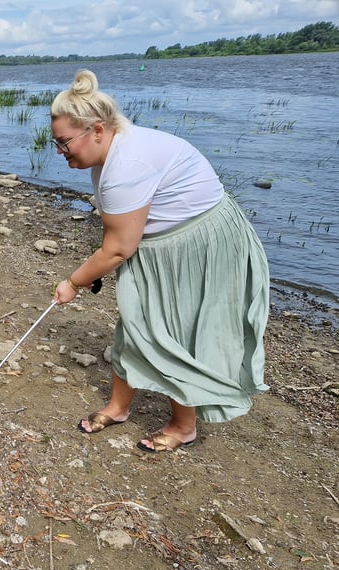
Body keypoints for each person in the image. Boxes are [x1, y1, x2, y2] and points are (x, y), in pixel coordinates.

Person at [49, 69, 270, 453]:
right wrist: (98, 269)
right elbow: (120, 238)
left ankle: (184, 426)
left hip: (197, 245)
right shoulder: (108, 152)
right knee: (135, 320)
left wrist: (73, 283)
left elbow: (118, 249)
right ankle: (119, 407)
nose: (60, 152)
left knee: (174, 331)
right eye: (56, 143)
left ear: (97, 130)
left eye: (65, 143)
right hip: (159, 243)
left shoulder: (126, 165)